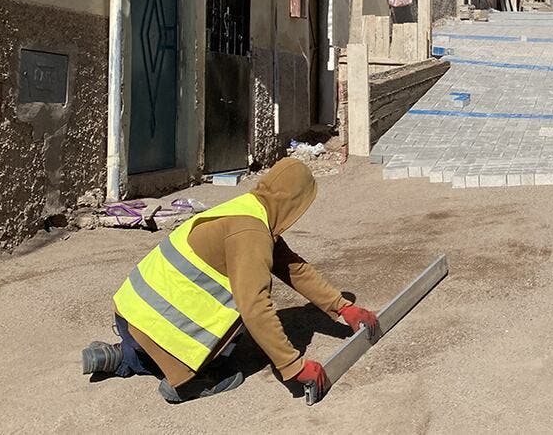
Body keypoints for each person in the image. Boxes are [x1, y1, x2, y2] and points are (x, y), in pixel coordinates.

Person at [80, 158, 379, 403]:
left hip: (131, 315)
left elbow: (293, 268)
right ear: (292, 203)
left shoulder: (247, 211)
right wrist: (293, 367)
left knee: (217, 319)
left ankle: (123, 356)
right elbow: (255, 307)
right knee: (233, 351)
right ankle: (187, 384)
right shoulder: (251, 234)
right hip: (162, 330)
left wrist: (342, 308)